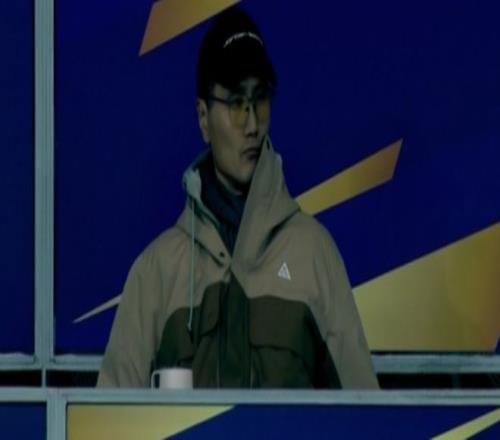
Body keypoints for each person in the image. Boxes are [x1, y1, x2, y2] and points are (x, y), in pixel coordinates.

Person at [98, 8, 378, 389]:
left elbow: (364, 412)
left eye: (259, 99)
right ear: (203, 117)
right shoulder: (156, 273)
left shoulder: (314, 254)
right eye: (234, 102)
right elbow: (111, 417)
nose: (252, 124)